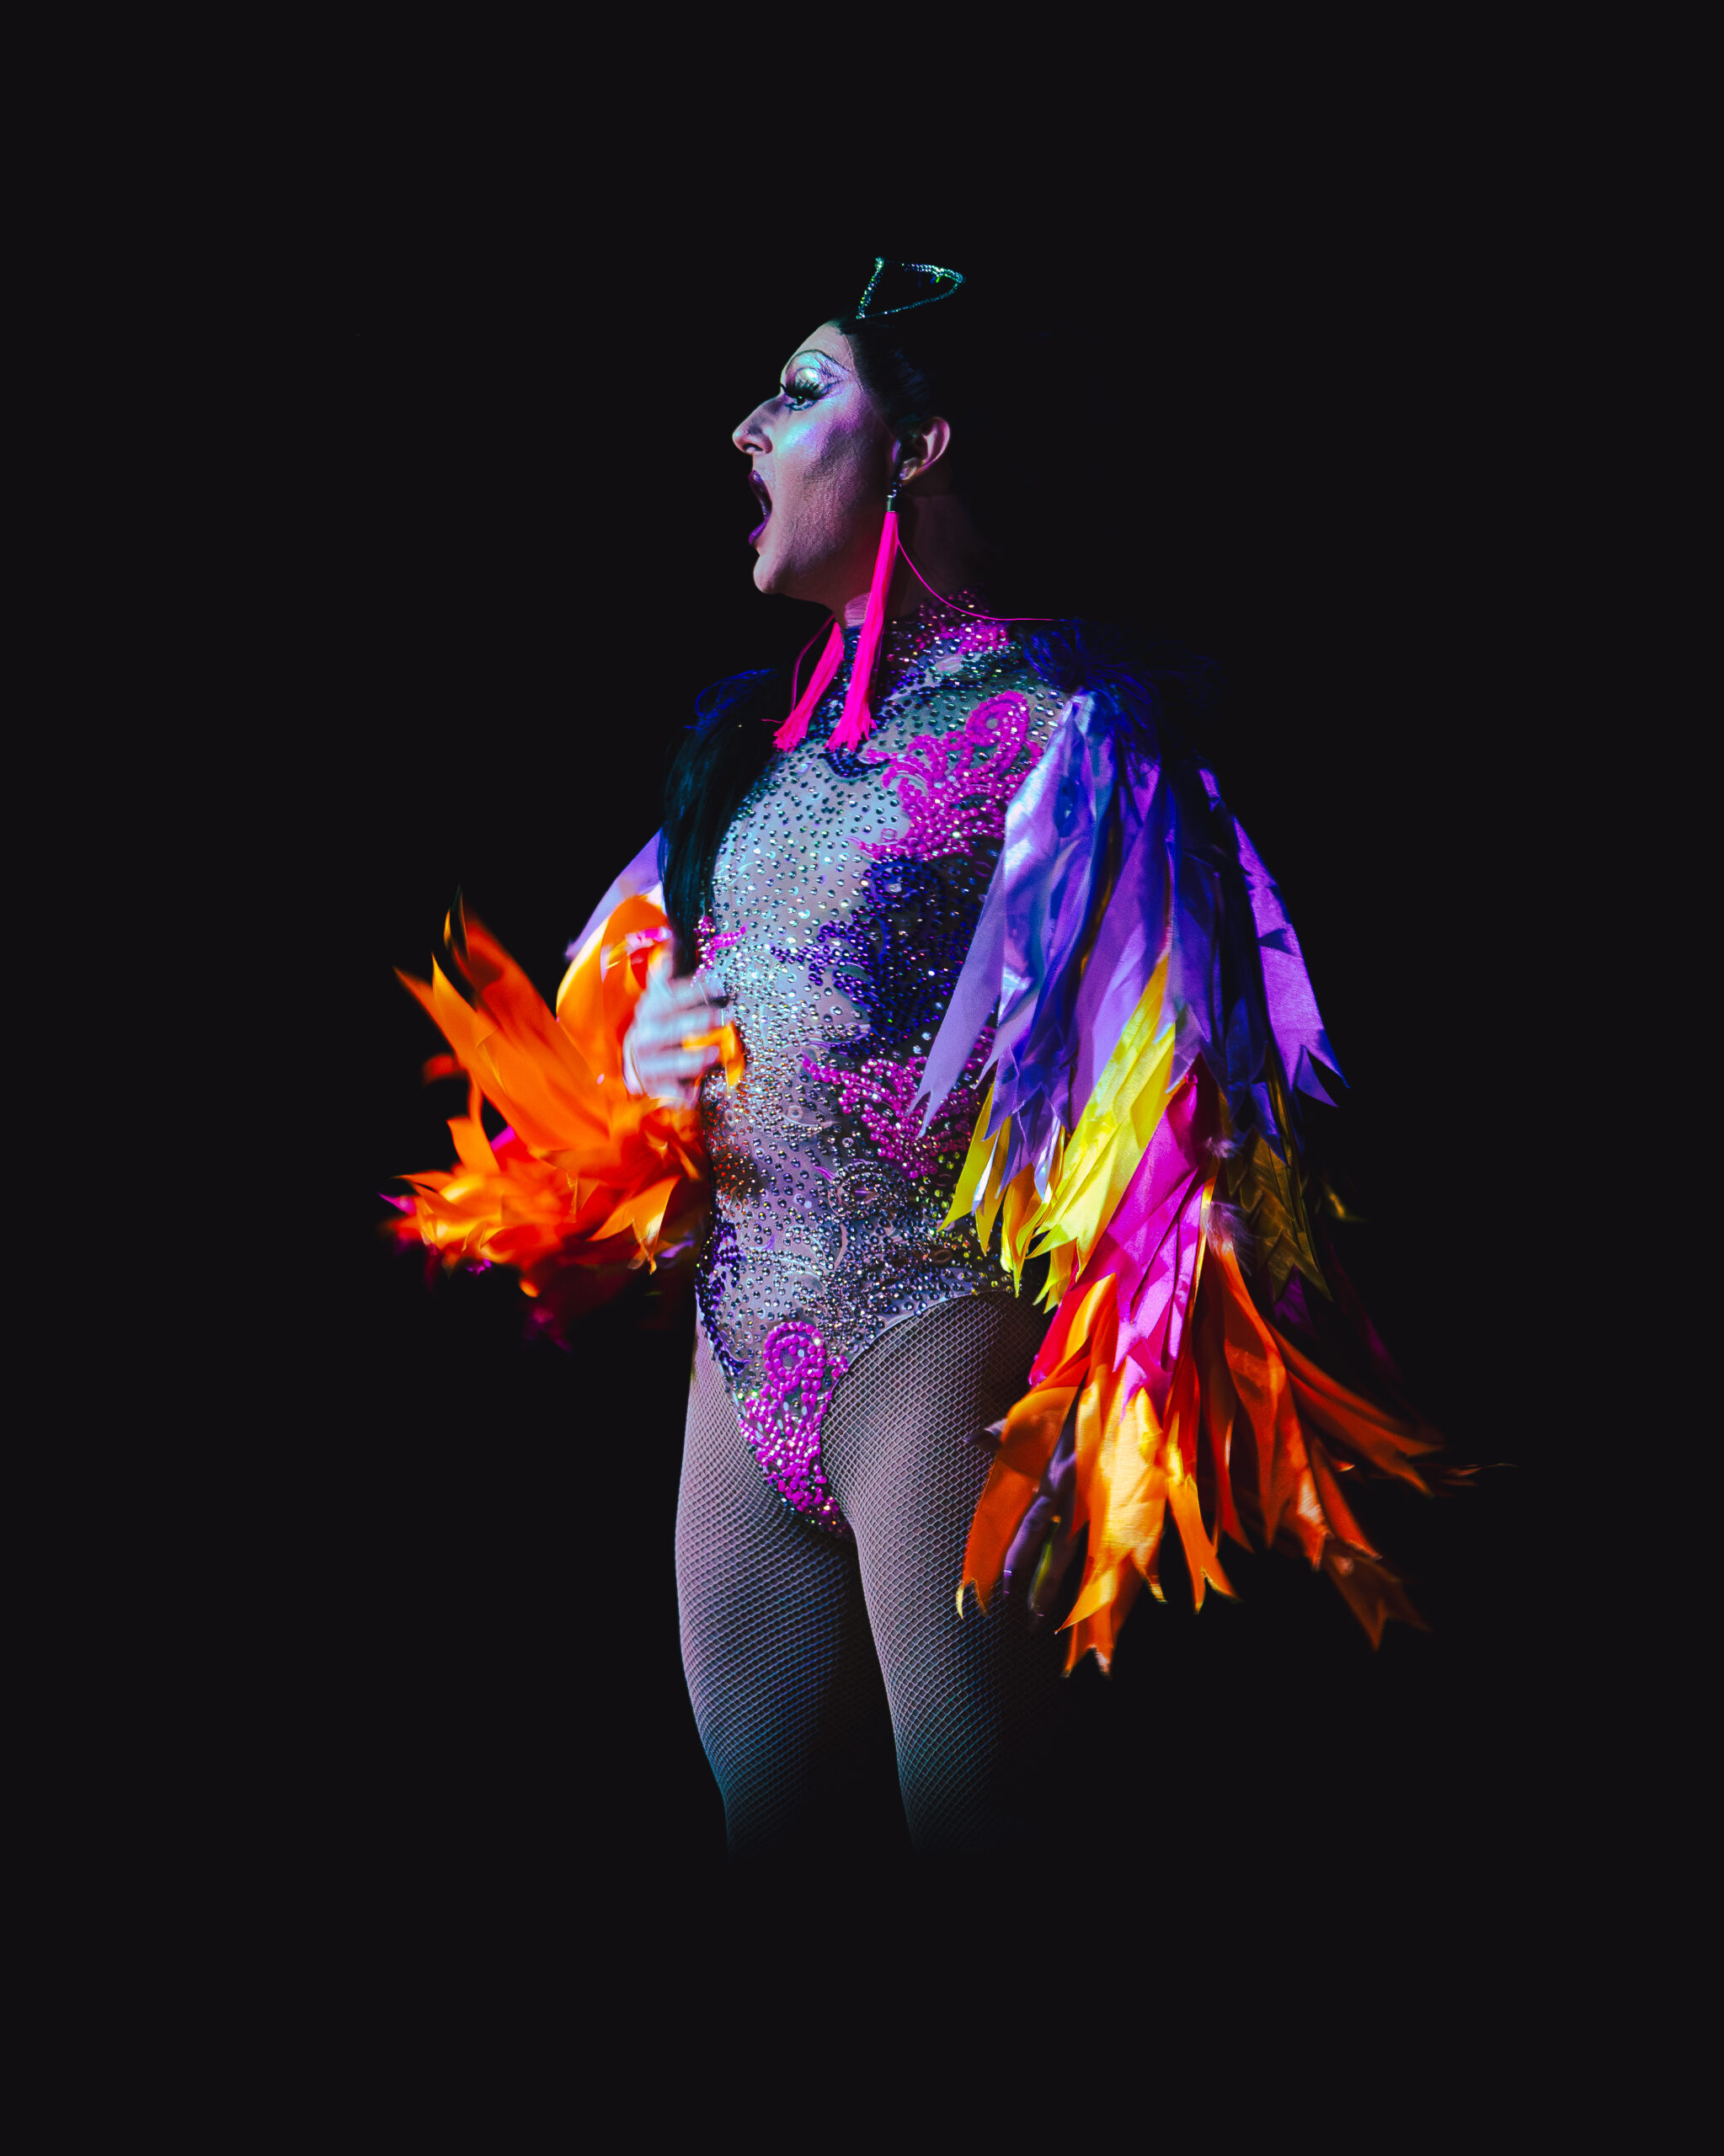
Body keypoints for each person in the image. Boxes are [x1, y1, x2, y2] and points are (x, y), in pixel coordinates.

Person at [392, 259, 1444, 1860]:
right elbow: (609, 1027)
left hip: (937, 1338)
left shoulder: (1065, 724)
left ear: (918, 449)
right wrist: (636, 1072)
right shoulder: (750, 755)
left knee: (979, 1850)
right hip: (739, 1354)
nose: (746, 428)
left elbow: (1191, 1088)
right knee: (769, 1858)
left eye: (802, 391)